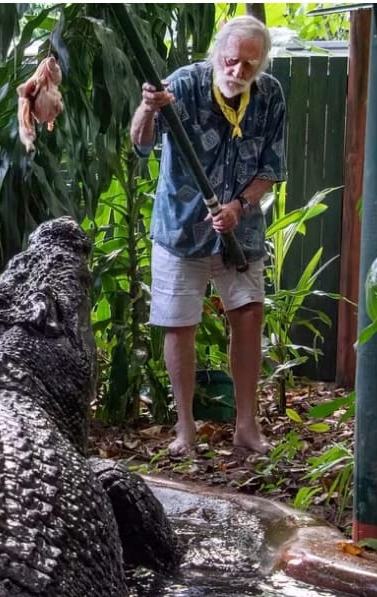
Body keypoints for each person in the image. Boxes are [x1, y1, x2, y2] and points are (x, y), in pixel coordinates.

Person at [129, 15, 286, 455]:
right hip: (182, 228)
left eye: (249, 66)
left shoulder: (270, 96)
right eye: (231, 61)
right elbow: (140, 144)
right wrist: (147, 107)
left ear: (262, 65)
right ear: (217, 54)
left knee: (249, 315)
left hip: (241, 230)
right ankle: (185, 430)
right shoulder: (182, 85)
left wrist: (240, 205)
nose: (237, 72)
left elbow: (271, 169)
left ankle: (246, 428)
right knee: (180, 325)